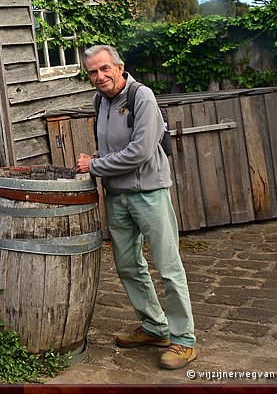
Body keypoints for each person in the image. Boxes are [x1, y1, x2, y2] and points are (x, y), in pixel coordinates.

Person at [76, 44, 197, 370]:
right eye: (92, 72)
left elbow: (140, 151)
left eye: (104, 69)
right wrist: (97, 159)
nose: (99, 77)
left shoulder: (141, 96)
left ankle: (183, 339)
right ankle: (154, 327)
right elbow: (111, 146)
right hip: (116, 196)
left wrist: (95, 167)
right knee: (128, 265)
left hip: (149, 193)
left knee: (168, 266)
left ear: (119, 66)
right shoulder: (100, 101)